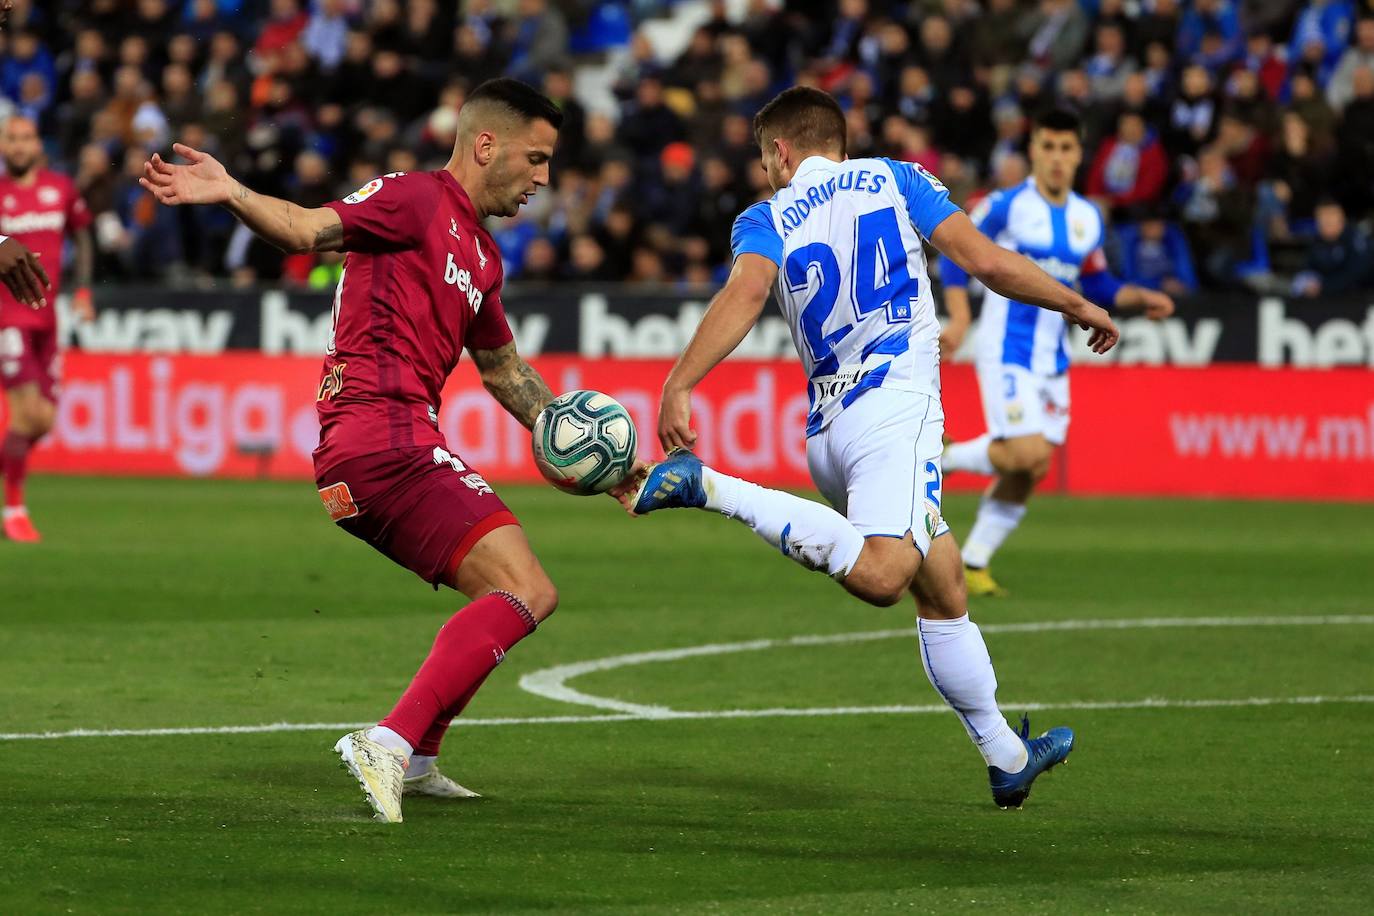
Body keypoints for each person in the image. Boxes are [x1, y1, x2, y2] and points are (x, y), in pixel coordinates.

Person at [624, 87, 1120, 809]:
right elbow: (984, 261)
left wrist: (680, 381)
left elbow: (746, 291)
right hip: (898, 409)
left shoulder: (764, 217)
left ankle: (1007, 756)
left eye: (766, 156)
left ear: (784, 151)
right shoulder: (899, 178)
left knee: (942, 580)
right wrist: (1075, 302)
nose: (765, 170)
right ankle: (710, 486)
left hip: (828, 432)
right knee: (887, 574)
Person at [141, 78, 578, 825]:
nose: (543, 178)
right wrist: (231, 190)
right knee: (527, 591)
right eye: (535, 159)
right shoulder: (414, 199)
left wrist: (578, 444)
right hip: (380, 437)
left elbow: (504, 369)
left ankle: (421, 755)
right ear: (485, 144)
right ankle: (390, 740)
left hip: (382, 449)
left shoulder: (483, 256)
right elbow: (308, 230)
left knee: (504, 591)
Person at [939, 110, 1174, 597]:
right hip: (1005, 347)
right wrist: (960, 319)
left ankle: (975, 562)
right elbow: (956, 257)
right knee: (1023, 452)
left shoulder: (1088, 218)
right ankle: (944, 457)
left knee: (1035, 466)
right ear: (1034, 151)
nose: (1057, 158)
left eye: (1067, 149)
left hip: (1052, 357)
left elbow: (1097, 283)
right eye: (1048, 147)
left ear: (1079, 154)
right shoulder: (1004, 206)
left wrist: (1138, 297)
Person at [0, 116, 95, 543]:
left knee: (44, 421)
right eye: (11, 139)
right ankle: (14, 509)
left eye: (25, 138)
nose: (18, 146)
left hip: (47, 320)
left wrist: (84, 291)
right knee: (26, 413)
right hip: (8, 319)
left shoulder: (61, 189)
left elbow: (84, 235)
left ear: (39, 143)